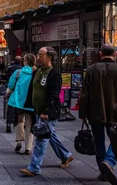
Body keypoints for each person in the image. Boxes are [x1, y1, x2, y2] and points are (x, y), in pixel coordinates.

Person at [79, 44, 117, 184]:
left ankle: (103, 169)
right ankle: (109, 161)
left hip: (95, 112)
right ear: (114, 54)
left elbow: (84, 95)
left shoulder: (92, 70)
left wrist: (83, 113)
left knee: (99, 141)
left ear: (100, 53)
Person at [20, 47, 73, 177]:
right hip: (38, 110)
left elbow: (53, 94)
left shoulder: (54, 74)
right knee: (50, 134)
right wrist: (28, 106)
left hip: (48, 112)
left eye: (41, 55)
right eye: (38, 54)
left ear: (49, 57)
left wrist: (45, 111)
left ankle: (34, 168)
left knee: (41, 138)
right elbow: (32, 90)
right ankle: (66, 156)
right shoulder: (37, 72)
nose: (38, 57)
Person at [7, 53, 37, 154]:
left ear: (25, 62)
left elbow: (10, 85)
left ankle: (19, 141)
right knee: (29, 124)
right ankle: (28, 148)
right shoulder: (36, 73)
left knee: (20, 121)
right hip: (31, 102)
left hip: (19, 101)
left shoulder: (18, 72)